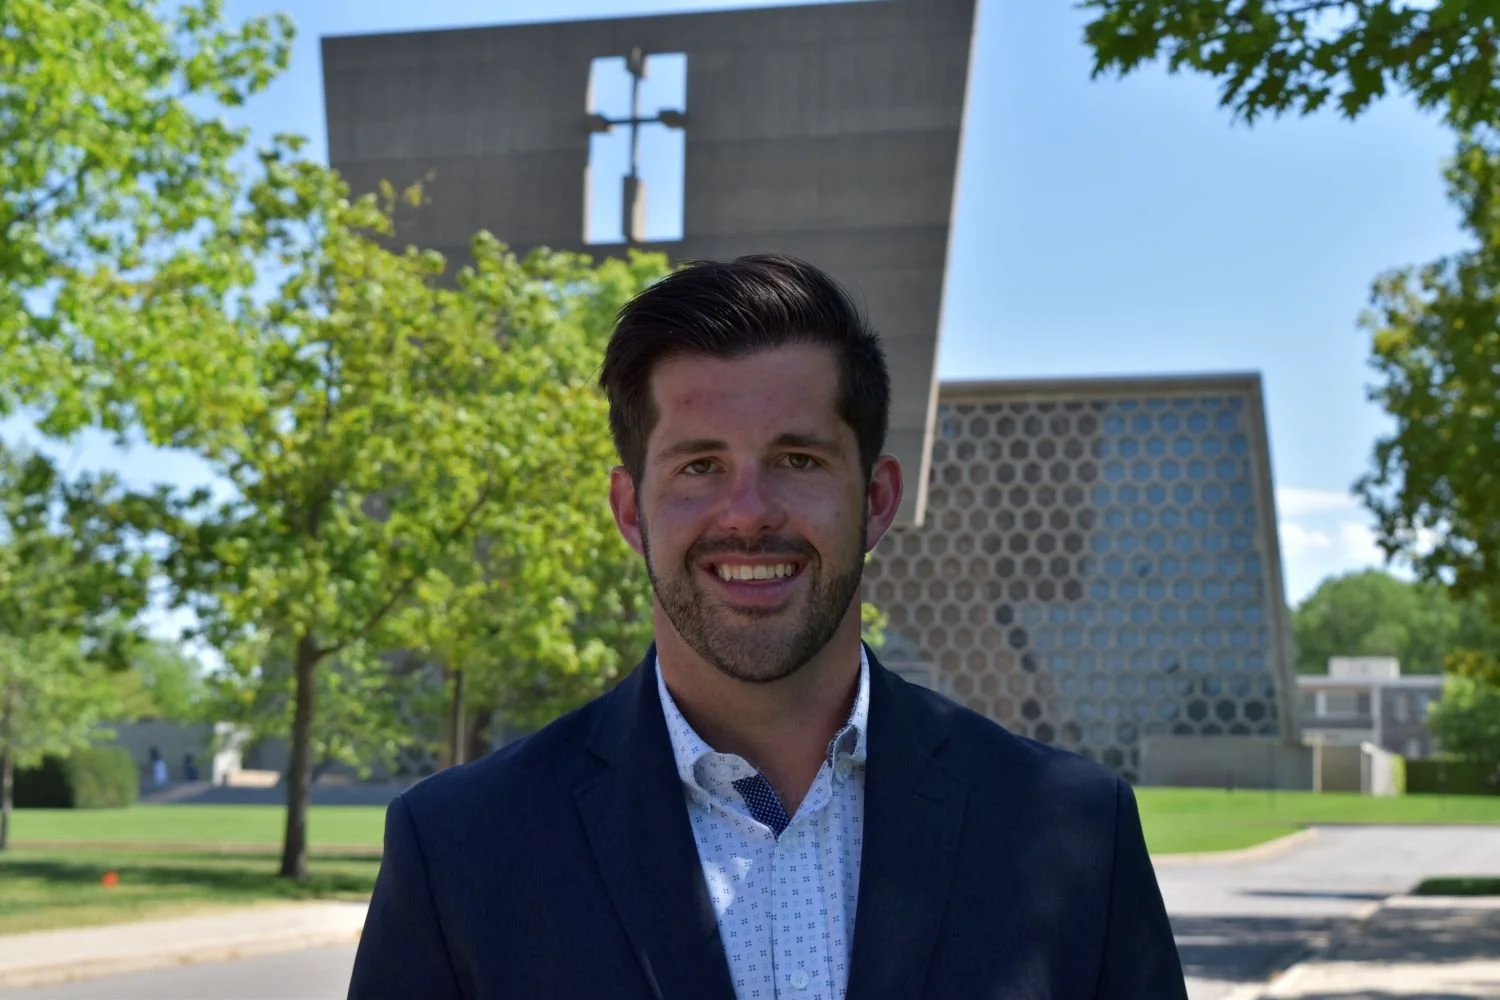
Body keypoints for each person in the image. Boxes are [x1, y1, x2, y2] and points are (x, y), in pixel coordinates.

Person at [348, 255, 1187, 999]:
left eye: (798, 460)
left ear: (877, 501)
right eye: (699, 465)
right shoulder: (459, 848)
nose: (747, 513)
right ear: (630, 512)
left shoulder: (1074, 831)